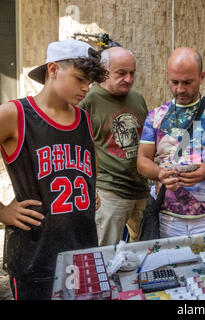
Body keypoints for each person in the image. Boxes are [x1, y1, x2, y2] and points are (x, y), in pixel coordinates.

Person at [0, 39, 107, 299]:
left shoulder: (84, 120)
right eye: (80, 78)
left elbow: (79, 168)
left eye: (90, 82)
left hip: (82, 248)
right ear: (52, 70)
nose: (85, 88)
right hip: (35, 256)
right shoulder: (15, 114)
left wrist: (87, 191)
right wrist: (2, 212)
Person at [137, 47, 205, 238]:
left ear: (201, 77)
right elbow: (142, 160)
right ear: (168, 75)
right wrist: (160, 174)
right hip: (168, 219)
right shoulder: (156, 115)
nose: (180, 89)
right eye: (174, 82)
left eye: (187, 82)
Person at [79, 47, 149, 246]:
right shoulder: (88, 100)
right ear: (104, 71)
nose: (128, 79)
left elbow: (145, 140)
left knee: (140, 253)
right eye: (121, 73)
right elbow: (78, 149)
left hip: (140, 190)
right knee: (105, 254)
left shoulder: (137, 99)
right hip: (109, 192)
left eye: (132, 73)